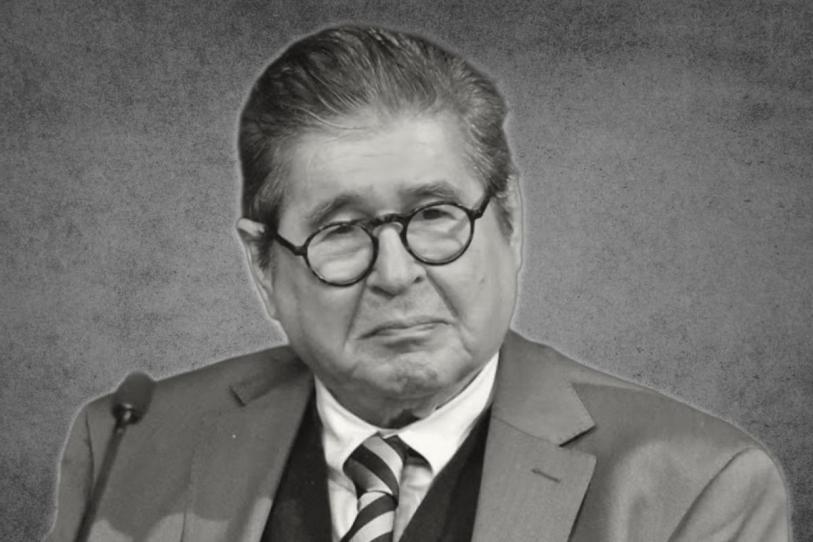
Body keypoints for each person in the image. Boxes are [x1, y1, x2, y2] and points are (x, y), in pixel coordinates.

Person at [46, 25, 790, 542]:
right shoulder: (126, 447)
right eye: (341, 231)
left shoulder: (693, 485)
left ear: (510, 223)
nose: (396, 275)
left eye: (434, 215)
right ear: (262, 266)